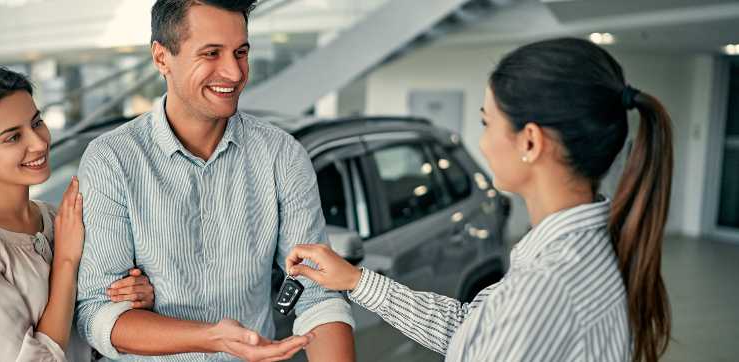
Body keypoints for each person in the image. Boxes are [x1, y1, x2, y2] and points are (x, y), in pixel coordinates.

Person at [286, 37, 673, 362]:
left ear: (530, 141)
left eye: (488, 122)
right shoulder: (585, 250)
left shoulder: (545, 287)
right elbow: (470, 328)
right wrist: (356, 280)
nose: (482, 143)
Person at [74, 0, 356, 361]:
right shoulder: (112, 159)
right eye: (211, 53)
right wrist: (213, 338)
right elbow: (98, 315)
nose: (235, 73)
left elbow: (319, 296)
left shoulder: (282, 155)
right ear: (162, 58)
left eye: (241, 52)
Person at [0, 64, 156, 361]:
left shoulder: (58, 221)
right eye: (13, 137)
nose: (39, 143)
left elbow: (94, 336)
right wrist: (65, 262)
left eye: (37, 123)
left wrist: (133, 299)